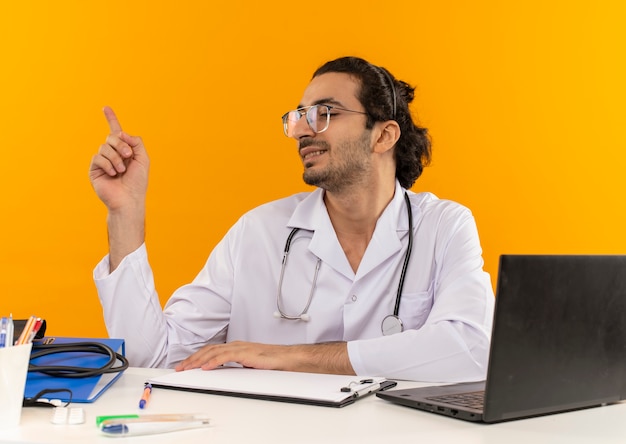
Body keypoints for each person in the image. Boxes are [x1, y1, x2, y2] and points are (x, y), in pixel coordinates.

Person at [89, 56, 494, 382]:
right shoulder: (259, 232)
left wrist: (281, 356)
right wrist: (126, 213)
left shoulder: (444, 226)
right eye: (299, 116)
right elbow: (154, 357)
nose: (301, 129)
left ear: (384, 136)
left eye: (324, 113)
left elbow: (471, 349)